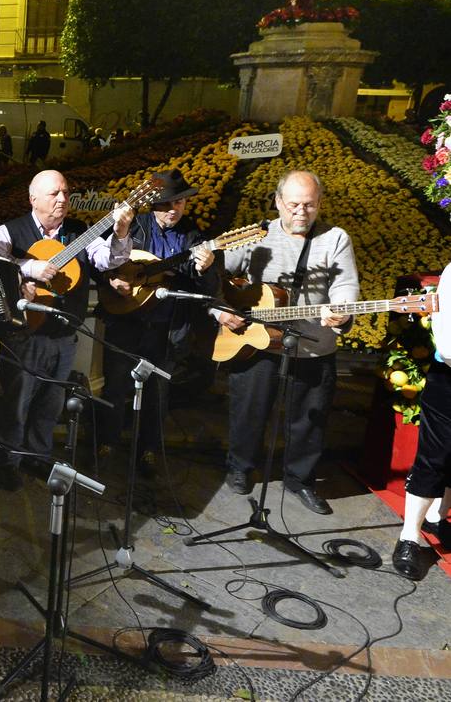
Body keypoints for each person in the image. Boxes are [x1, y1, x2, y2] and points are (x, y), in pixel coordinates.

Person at [214, 171, 358, 514]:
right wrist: (220, 311)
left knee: (310, 417)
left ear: (319, 204)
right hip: (258, 342)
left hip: (312, 344)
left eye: (309, 205)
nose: (300, 212)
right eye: (293, 204)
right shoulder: (255, 236)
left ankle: (300, 480)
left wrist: (341, 311)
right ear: (278, 202)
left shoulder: (335, 238)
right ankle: (240, 467)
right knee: (249, 408)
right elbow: (216, 275)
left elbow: (345, 285)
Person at [0, 169, 133, 490]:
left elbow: (108, 260)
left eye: (66, 192)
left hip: (65, 336)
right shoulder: (10, 230)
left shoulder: (80, 232)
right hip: (24, 335)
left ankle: (37, 457)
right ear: (33, 198)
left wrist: (121, 232)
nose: (63, 199)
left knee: (49, 404)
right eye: (54, 194)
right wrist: (28, 266)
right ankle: (8, 463)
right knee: (17, 404)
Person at [95, 170, 217, 478]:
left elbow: (205, 290)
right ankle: (106, 443)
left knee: (157, 394)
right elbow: (99, 264)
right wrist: (112, 282)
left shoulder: (195, 237)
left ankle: (148, 450)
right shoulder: (133, 228)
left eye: (178, 203)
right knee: (115, 386)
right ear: (153, 206)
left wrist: (205, 269)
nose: (173, 209)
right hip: (126, 321)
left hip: (167, 328)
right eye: (165, 204)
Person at [392, 258, 451, 578]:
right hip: (450, 379)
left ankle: (438, 518)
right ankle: (409, 536)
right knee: (435, 456)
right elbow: (449, 343)